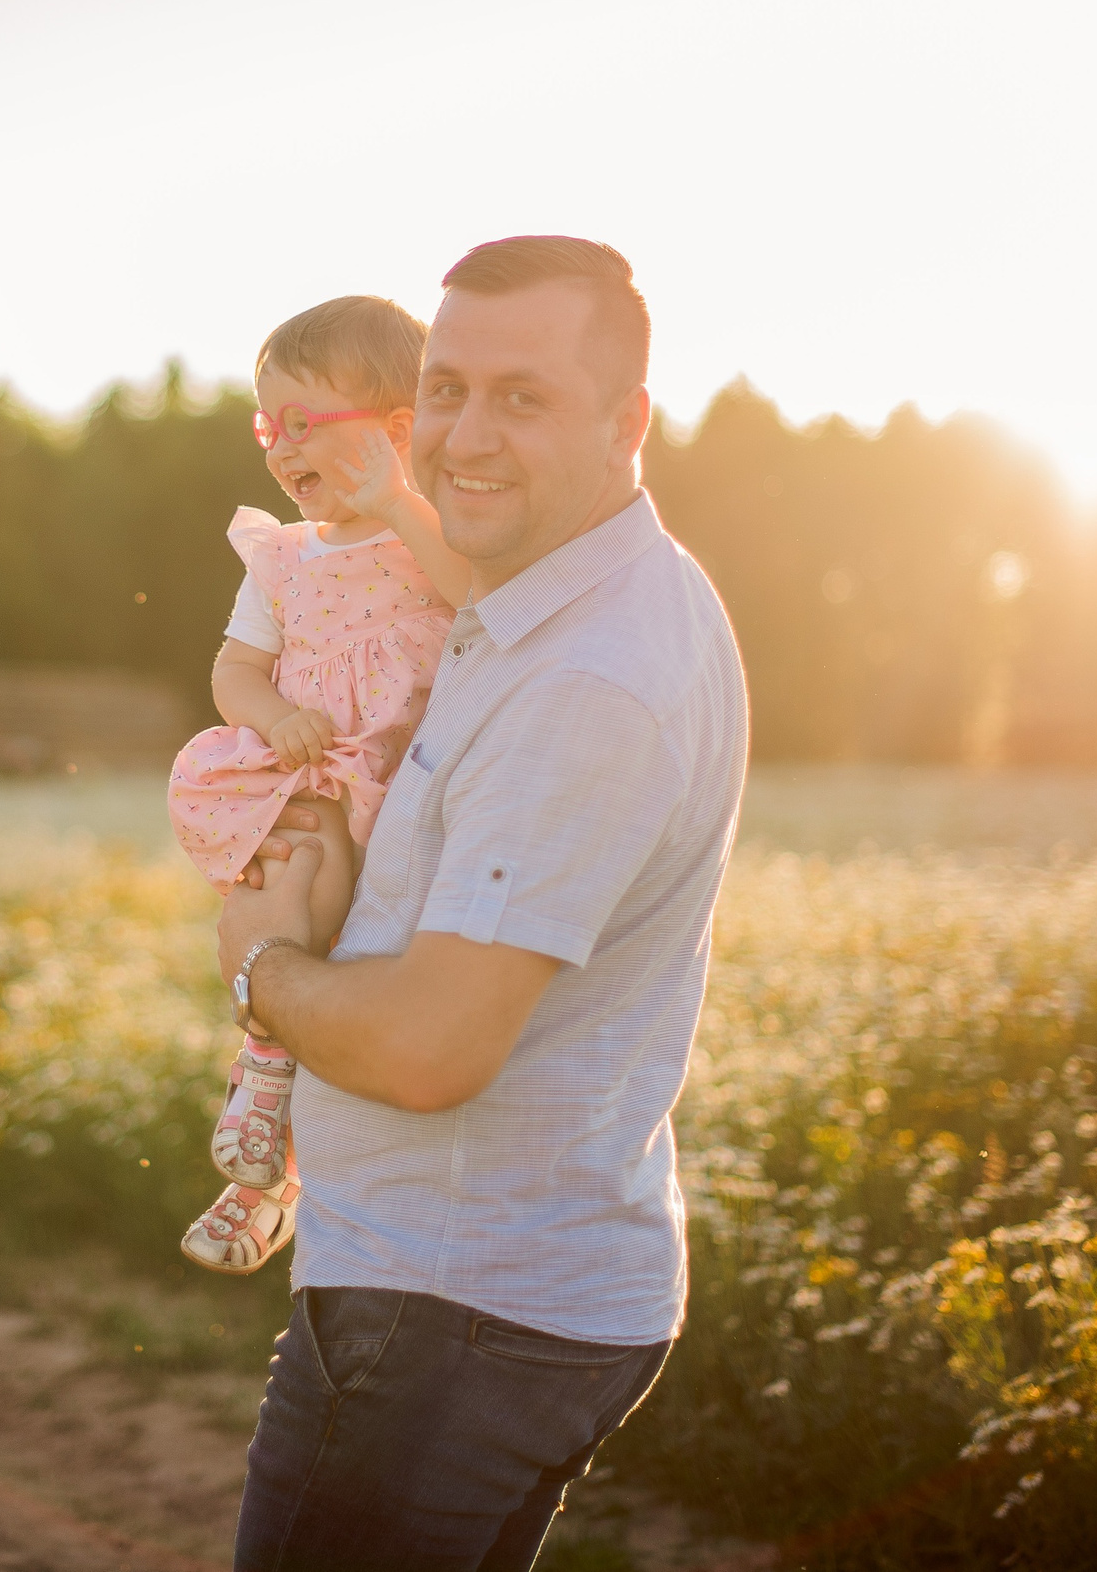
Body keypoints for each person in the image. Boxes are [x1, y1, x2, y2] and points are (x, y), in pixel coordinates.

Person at [215, 237, 751, 1572]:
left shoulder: (588, 675)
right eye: (445, 388)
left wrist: (258, 970)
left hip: (453, 1306)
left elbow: (428, 1046)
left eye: (523, 396)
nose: (463, 434)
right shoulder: (542, 597)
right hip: (477, 1291)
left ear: (627, 422)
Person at [168, 294, 470, 1275]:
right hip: (310, 770)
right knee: (303, 883)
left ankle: (275, 1177)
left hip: (400, 785)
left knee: (334, 954)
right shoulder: (281, 558)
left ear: (394, 432)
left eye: (304, 424)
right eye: (268, 426)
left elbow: (479, 599)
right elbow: (234, 671)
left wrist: (395, 503)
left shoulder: (429, 536)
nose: (278, 447)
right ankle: (259, 1121)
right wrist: (272, 717)